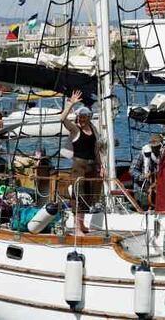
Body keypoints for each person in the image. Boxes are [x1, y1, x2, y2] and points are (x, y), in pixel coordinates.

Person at [61, 90, 103, 233]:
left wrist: (101, 165)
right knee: (79, 195)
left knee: (89, 195)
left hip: (92, 165)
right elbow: (62, 119)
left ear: (89, 117)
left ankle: (83, 224)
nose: (82, 119)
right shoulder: (75, 129)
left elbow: (96, 150)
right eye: (80, 116)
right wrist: (70, 104)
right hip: (79, 165)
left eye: (84, 116)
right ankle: (78, 227)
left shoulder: (92, 129)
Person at [131, 133, 164, 208]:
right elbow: (132, 170)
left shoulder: (159, 156)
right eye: (155, 147)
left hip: (155, 189)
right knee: (146, 206)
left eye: (158, 147)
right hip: (141, 190)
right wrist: (143, 176)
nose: (157, 149)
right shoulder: (141, 154)